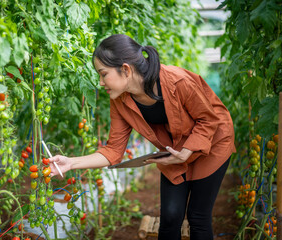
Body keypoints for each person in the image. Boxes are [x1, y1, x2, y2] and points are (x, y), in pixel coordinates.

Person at [49, 34, 235, 240]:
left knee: (197, 217)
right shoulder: (119, 100)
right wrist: (70, 163)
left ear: (126, 69)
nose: (100, 83)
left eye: (103, 74)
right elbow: (113, 151)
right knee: (171, 216)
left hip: (212, 143)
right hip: (174, 150)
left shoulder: (177, 81)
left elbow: (209, 120)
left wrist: (187, 152)